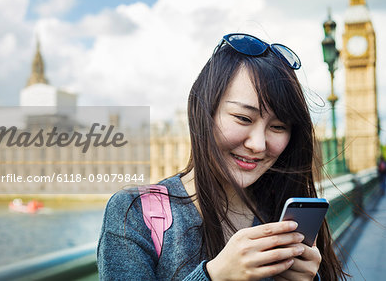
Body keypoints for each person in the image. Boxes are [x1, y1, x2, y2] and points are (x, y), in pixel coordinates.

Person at [97, 33, 347, 280]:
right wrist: (214, 277)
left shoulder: (283, 214)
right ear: (204, 111)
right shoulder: (134, 214)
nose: (258, 145)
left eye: (278, 127)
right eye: (243, 118)